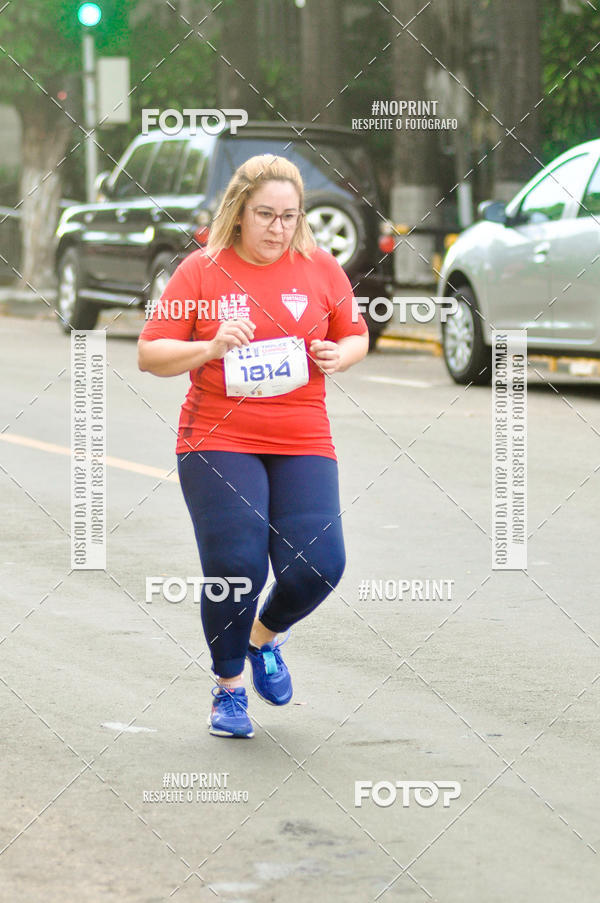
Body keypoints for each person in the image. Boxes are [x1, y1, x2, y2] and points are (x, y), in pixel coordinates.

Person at [138, 153, 368, 738]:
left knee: (319, 565)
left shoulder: (319, 268)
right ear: (239, 213)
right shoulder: (201, 271)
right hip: (218, 435)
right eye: (265, 214)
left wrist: (341, 355)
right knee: (236, 567)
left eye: (289, 216)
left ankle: (264, 638)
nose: (277, 228)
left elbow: (355, 333)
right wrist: (210, 348)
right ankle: (228, 688)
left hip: (301, 434)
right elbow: (151, 353)